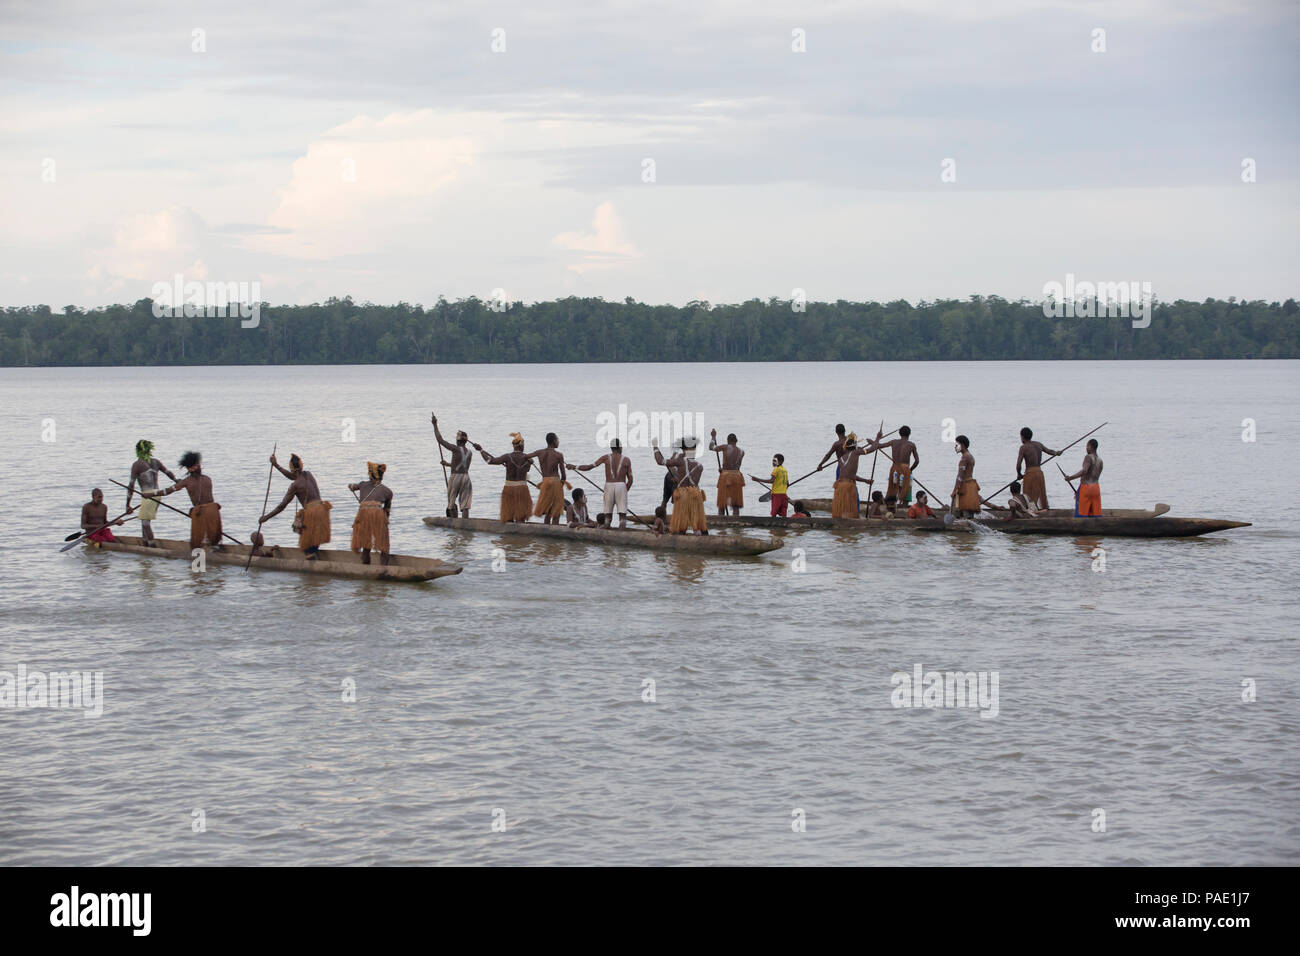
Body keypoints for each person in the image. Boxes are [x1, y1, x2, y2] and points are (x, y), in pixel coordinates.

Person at [147, 451, 223, 550]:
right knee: (213, 539)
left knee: (198, 543)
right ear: (197, 466)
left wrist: (151, 494)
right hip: (213, 511)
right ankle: (213, 549)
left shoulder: (187, 481)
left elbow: (168, 491)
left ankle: (206, 554)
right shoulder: (208, 479)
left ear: (190, 468)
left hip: (201, 513)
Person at [261, 453, 332, 558]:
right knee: (311, 538)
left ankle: (310, 555)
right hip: (322, 510)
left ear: (292, 469)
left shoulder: (295, 485)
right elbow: (292, 476)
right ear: (301, 466)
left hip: (312, 513)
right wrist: (276, 465)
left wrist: (266, 517)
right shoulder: (308, 474)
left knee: (305, 543)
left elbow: (282, 506)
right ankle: (313, 553)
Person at [124, 439, 176, 546]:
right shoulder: (156, 462)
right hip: (157, 494)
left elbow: (131, 485)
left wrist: (128, 504)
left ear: (138, 451)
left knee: (145, 522)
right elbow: (168, 473)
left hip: (148, 495)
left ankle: (152, 544)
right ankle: (145, 542)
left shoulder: (137, 464)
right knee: (144, 520)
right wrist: (176, 481)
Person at [574, 438, 633, 528]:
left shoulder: (605, 457)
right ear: (620, 447)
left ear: (611, 448)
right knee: (622, 517)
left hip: (609, 486)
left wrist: (575, 466)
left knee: (607, 517)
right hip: (621, 486)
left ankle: (605, 532)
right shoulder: (626, 460)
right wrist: (626, 489)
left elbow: (589, 467)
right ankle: (621, 533)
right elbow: (631, 479)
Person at [655, 436, 708, 534]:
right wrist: (679, 479)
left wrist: (655, 448)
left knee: (681, 526)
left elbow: (660, 461)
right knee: (697, 524)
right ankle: (699, 536)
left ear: (684, 450)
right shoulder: (700, 466)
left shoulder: (680, 461)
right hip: (696, 496)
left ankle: (681, 536)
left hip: (683, 496)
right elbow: (691, 483)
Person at [477, 432, 534, 523]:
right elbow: (526, 471)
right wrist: (530, 463)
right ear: (521, 446)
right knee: (521, 517)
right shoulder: (528, 458)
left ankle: (509, 535)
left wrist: (481, 451)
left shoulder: (507, 457)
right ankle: (522, 534)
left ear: (514, 446)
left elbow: (490, 461)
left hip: (509, 489)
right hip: (522, 489)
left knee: (508, 517)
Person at [348, 461, 393, 565]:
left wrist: (350, 486)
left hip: (363, 513)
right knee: (383, 542)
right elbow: (387, 511)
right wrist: (385, 523)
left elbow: (352, 487)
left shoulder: (362, 484)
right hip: (378, 513)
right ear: (382, 475)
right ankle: (384, 566)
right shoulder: (388, 491)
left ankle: (365, 564)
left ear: (370, 474)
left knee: (365, 540)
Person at [431, 413, 473, 518]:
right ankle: (465, 523)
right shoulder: (469, 452)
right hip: (466, 477)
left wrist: (435, 425)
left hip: (455, 477)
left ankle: (452, 522)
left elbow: (440, 440)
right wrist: (448, 464)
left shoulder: (455, 448)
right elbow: (463, 466)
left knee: (451, 501)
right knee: (465, 504)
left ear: (458, 440)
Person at [527, 433, 569, 525]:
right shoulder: (558, 455)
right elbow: (564, 476)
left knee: (548, 510)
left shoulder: (539, 452)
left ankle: (546, 528)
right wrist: (561, 484)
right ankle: (555, 530)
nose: (558, 442)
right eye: (557, 440)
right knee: (556, 510)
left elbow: (524, 457)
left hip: (545, 482)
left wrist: (530, 461)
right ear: (554, 441)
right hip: (555, 482)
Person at [1016, 427, 1061, 510]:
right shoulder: (1038, 444)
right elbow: (1050, 451)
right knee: (1037, 496)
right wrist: (1056, 453)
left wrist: (1019, 474)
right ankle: (1042, 511)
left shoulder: (1023, 447)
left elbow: (1018, 465)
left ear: (1022, 437)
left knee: (1028, 497)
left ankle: (1032, 513)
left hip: (1030, 474)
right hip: (1039, 473)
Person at [831, 434, 874, 519]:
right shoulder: (855, 453)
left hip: (839, 487)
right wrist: (875, 441)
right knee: (850, 510)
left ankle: (840, 524)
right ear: (855, 447)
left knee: (842, 509)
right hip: (848, 487)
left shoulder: (841, 459)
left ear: (845, 447)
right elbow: (871, 449)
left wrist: (866, 481)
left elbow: (849, 475)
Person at [875, 425, 920, 504]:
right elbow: (917, 461)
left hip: (895, 469)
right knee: (905, 492)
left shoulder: (893, 442)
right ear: (909, 434)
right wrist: (910, 470)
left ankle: (891, 506)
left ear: (899, 434)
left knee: (893, 490)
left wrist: (877, 438)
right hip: (905, 470)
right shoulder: (911, 445)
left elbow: (879, 445)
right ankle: (903, 508)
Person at [708, 429, 746, 516]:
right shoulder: (742, 452)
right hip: (737, 476)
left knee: (722, 503)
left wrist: (713, 436)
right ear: (736, 441)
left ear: (728, 441)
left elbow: (711, 447)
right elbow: (737, 467)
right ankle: (736, 524)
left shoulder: (725, 447)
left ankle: (721, 525)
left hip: (726, 476)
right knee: (735, 504)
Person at [1064, 439, 1104, 516]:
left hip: (1086, 488)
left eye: (1087, 446)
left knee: (1081, 513)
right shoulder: (1100, 460)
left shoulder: (1088, 457)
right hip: (1096, 488)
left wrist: (1070, 478)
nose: (1086, 448)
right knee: (1094, 514)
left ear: (1092, 447)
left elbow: (1084, 471)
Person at [951, 435, 981, 517]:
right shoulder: (970, 456)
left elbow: (960, 477)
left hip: (964, 488)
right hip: (970, 487)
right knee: (967, 513)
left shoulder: (964, 458)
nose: (955, 447)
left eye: (957, 445)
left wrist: (954, 491)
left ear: (962, 445)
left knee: (957, 512)